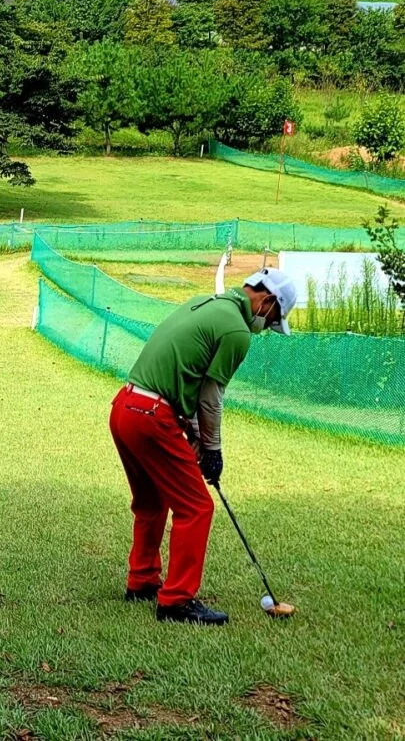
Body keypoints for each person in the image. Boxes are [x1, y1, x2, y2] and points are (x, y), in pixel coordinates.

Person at [109, 267, 297, 625]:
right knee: (196, 507)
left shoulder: (204, 302)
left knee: (152, 501)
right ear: (268, 301)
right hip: (151, 416)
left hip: (126, 407)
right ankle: (176, 601)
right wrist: (212, 450)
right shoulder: (237, 330)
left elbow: (188, 383)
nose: (268, 326)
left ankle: (142, 581)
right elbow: (211, 398)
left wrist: (194, 436)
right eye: (274, 319)